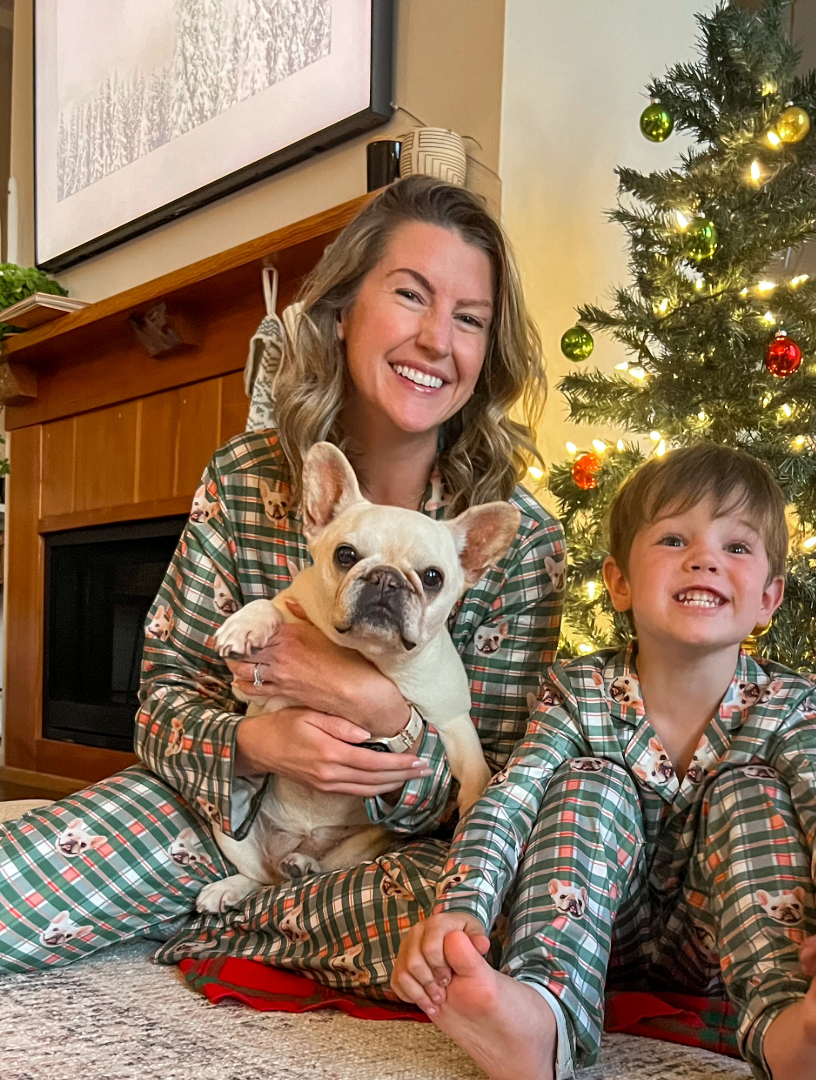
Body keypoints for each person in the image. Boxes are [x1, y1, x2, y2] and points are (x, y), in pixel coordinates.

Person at [0, 176, 565, 990]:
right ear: (341, 314)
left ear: (488, 351)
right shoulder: (246, 478)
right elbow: (161, 698)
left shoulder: (519, 537)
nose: (438, 339)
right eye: (411, 295)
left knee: (490, 932)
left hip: (393, 853)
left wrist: (384, 717)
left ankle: (228, 922)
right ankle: (243, 912)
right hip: (228, 813)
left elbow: (509, 781)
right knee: (25, 885)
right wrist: (254, 742)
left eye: (469, 319)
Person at [392, 444, 816, 1080]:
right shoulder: (577, 693)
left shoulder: (787, 704)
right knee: (590, 780)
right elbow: (511, 797)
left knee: (752, 788)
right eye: (673, 539)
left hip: (729, 944)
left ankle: (795, 1033)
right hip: (590, 933)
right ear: (619, 584)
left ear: (769, 599)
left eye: (738, 548)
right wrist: (462, 906)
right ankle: (541, 1018)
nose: (705, 559)